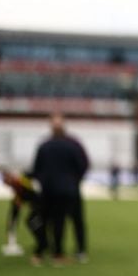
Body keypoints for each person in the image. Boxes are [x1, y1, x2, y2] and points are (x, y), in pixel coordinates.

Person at [32, 112, 90, 264]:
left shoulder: (44, 145)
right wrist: (75, 180)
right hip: (69, 189)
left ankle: (47, 250)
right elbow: (84, 165)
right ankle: (75, 251)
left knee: (48, 221)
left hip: (50, 190)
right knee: (73, 220)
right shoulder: (74, 144)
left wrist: (44, 181)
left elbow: (36, 169)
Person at [0, 169, 48, 262]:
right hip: (38, 204)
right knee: (32, 222)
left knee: (33, 222)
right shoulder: (17, 185)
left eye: (5, 177)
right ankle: (42, 243)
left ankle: (43, 244)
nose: (4, 180)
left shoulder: (22, 181)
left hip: (44, 203)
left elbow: (36, 191)